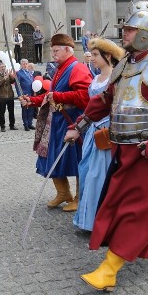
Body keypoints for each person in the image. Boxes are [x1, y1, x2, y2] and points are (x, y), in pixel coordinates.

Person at [64, 4, 148, 291]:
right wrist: (80, 125)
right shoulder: (125, 65)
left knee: (137, 208)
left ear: (145, 34)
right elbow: (104, 101)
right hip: (124, 147)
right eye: (125, 29)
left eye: (129, 29)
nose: (124, 34)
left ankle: (109, 269)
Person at [19, 33, 91, 213]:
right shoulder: (59, 69)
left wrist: (58, 96)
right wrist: (32, 101)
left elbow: (85, 96)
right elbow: (51, 95)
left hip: (73, 122)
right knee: (51, 158)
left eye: (56, 50)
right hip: (56, 122)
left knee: (77, 160)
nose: (53, 54)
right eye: (52, 51)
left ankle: (80, 198)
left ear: (68, 49)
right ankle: (63, 193)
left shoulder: (77, 68)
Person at [73, 38, 124, 232]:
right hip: (91, 131)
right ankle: (88, 218)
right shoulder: (95, 78)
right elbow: (90, 107)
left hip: (105, 132)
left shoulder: (115, 79)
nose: (92, 58)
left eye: (95, 55)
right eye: (91, 55)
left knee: (99, 175)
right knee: (86, 171)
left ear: (108, 56)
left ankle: (102, 222)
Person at [0, 62, 17, 132]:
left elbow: (13, 81)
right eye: (2, 67)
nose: (3, 68)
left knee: (11, 111)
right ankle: (2, 126)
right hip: (2, 96)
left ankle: (12, 125)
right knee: (2, 112)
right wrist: (4, 78)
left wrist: (10, 75)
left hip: (10, 95)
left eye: (4, 66)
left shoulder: (7, 73)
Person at [16, 60, 35, 130]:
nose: (25, 65)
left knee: (31, 109)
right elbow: (17, 85)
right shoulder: (19, 73)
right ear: (21, 65)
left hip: (31, 94)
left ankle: (30, 123)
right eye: (23, 64)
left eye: (26, 64)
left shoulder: (29, 72)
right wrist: (20, 95)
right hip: (24, 94)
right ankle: (26, 124)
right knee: (25, 110)